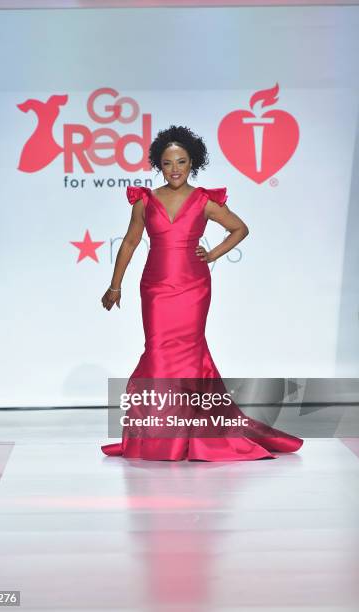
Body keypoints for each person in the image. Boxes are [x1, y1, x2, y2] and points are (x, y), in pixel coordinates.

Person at [101, 124, 303, 461]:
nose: (175, 169)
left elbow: (240, 228)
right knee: (158, 354)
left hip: (193, 287)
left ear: (192, 162)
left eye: (181, 161)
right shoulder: (145, 201)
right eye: (168, 163)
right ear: (158, 165)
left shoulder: (205, 200)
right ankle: (160, 435)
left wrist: (212, 254)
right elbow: (131, 242)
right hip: (155, 288)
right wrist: (115, 284)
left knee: (189, 356)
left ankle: (185, 436)